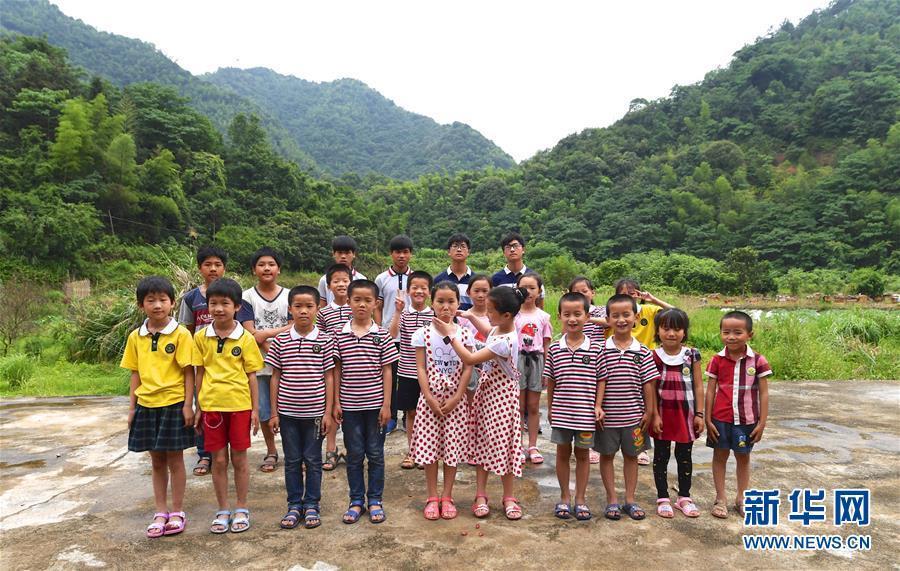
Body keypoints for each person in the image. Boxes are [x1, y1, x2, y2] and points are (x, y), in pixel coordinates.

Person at [432, 286, 527, 521]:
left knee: (504, 446)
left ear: (506, 315)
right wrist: (470, 316)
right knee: (482, 443)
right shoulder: (502, 328)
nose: (487, 314)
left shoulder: (506, 341)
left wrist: (449, 334)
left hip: (502, 399)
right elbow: (488, 331)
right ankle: (480, 495)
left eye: (490, 311)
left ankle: (508, 496)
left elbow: (469, 358)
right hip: (487, 396)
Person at [121, 276, 196, 538]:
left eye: (163, 300)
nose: (157, 305)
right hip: (146, 404)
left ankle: (177, 511)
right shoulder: (135, 337)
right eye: (150, 300)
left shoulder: (181, 334)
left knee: (175, 459)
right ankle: (160, 511)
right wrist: (132, 408)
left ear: (172, 303)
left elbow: (188, 372)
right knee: (156, 461)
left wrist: (188, 405)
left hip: (173, 403)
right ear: (140, 305)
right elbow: (135, 374)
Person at [192, 278, 264, 534]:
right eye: (213, 303)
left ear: (237, 307)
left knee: (240, 459)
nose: (219, 309)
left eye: (225, 303)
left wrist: (255, 410)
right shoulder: (201, 337)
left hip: (239, 406)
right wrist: (199, 406)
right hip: (212, 407)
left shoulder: (245, 338)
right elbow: (199, 373)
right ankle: (223, 509)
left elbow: (252, 376)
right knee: (219, 460)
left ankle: (242, 507)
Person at [178, 245, 253, 477]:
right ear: (199, 268)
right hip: (203, 355)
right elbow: (187, 329)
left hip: (231, 364)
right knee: (203, 409)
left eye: (217, 264)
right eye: (207, 264)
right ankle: (204, 454)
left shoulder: (235, 295)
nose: (212, 269)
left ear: (224, 268)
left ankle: (215, 456)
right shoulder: (191, 298)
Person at [266, 286, 335, 530]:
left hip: (315, 414)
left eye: (309, 306)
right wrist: (274, 413)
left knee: (313, 460)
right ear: (290, 309)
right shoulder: (281, 341)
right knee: (292, 460)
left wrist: (327, 412)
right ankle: (294, 504)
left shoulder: (325, 340)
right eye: (298, 306)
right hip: (287, 414)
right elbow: (275, 376)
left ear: (318, 308)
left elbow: (329, 377)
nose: (303, 311)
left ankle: (312, 504)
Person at [333, 280, 399, 524]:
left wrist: (387, 405)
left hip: (375, 407)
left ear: (375, 304)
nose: (362, 304)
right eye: (357, 299)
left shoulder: (382, 334)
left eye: (367, 300)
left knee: (375, 454)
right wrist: (336, 402)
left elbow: (387, 371)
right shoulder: (339, 334)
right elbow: (336, 370)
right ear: (348, 302)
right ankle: (356, 501)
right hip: (349, 407)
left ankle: (375, 500)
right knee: (354, 454)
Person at [411, 282, 474, 520]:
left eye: (451, 301)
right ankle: (431, 496)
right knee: (429, 449)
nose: (445, 306)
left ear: (458, 304)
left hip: (455, 402)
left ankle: (447, 496)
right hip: (430, 402)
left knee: (452, 448)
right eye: (440, 301)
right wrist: (428, 396)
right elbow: (420, 367)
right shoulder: (422, 334)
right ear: (432, 303)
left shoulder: (464, 334)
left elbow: (468, 366)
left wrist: (458, 396)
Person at [594, 293, 659, 522]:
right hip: (607, 418)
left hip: (635, 418)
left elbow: (648, 384)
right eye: (615, 316)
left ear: (635, 317)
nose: (621, 320)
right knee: (607, 456)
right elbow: (596, 382)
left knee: (632, 457)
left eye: (626, 315)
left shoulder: (643, 352)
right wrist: (596, 407)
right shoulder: (600, 350)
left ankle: (630, 499)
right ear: (608, 320)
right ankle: (612, 499)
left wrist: (649, 412)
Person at [705, 310, 771, 519]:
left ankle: (741, 498)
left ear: (749, 334)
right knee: (719, 456)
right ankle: (720, 498)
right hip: (720, 420)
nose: (731, 337)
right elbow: (710, 391)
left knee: (743, 457)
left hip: (746, 421)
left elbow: (763, 393)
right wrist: (707, 419)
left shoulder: (758, 361)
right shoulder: (717, 360)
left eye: (737, 332)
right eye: (726, 332)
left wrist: (762, 423)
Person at [545, 292, 604, 521]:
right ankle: (564, 497)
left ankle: (580, 499)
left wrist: (598, 405)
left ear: (587, 316)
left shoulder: (596, 348)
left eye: (578, 314)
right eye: (567, 314)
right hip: (562, 413)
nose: (572, 319)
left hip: (586, 415)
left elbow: (602, 379)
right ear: (559, 316)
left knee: (582, 455)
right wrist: (551, 408)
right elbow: (551, 381)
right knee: (562, 454)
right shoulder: (555, 349)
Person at [648, 308, 705, 519]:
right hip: (662, 415)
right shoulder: (653, 355)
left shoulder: (692, 355)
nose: (671, 333)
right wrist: (654, 415)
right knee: (661, 457)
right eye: (666, 328)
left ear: (684, 332)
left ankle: (684, 497)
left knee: (684, 457)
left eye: (677, 329)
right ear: (658, 331)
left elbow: (698, 386)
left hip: (686, 416)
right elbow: (651, 388)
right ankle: (662, 497)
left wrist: (699, 414)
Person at [242, 247, 292, 474]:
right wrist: (267, 345)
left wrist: (266, 335)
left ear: (279, 269)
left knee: (290, 408)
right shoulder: (247, 297)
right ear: (254, 270)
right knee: (264, 409)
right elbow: (250, 331)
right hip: (259, 363)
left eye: (271, 264)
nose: (267, 268)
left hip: (290, 361)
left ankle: (293, 452)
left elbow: (295, 324)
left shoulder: (290, 295)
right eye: (261, 264)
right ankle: (271, 450)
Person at [613, 278, 673, 466]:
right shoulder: (615, 313)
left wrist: (653, 299)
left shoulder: (648, 311)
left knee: (645, 405)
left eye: (632, 294)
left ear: (639, 295)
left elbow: (676, 313)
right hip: (620, 362)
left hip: (646, 363)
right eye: (623, 294)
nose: (628, 297)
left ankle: (641, 448)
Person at [389, 271, 434, 469]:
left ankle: (427, 452)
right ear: (408, 291)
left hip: (431, 373)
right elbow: (392, 335)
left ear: (430, 292)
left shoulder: (434, 315)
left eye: (423, 288)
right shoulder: (404, 314)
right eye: (415, 287)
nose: (419, 291)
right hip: (407, 371)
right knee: (411, 413)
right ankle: (412, 451)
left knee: (429, 414)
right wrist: (398, 312)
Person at [374, 235, 415, 434]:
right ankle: (389, 415)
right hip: (389, 336)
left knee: (408, 377)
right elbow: (378, 306)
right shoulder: (381, 278)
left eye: (405, 252)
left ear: (410, 254)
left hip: (410, 337)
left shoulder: (415, 278)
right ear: (391, 254)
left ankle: (408, 415)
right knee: (388, 375)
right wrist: (379, 329)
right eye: (398, 252)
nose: (401, 256)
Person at [315, 263, 353, 471]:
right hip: (330, 366)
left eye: (345, 280)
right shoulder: (323, 313)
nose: (341, 284)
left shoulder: (356, 307)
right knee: (330, 406)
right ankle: (331, 449)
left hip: (352, 366)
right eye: (336, 281)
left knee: (348, 408)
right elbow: (319, 338)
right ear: (328, 286)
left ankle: (349, 449)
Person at [515, 272, 552, 464]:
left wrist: (547, 369)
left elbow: (546, 345)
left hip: (537, 361)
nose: (528, 291)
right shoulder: (513, 315)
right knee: (518, 406)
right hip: (517, 361)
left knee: (533, 406)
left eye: (532, 288)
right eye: (524, 287)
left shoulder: (543, 317)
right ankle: (518, 445)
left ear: (539, 291)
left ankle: (533, 445)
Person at [567, 277, 606, 465]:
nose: (581, 295)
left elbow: (609, 322)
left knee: (599, 404)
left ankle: (596, 445)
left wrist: (587, 316)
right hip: (578, 362)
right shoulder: (572, 313)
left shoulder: (600, 310)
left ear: (592, 292)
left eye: (584, 291)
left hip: (599, 359)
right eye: (576, 292)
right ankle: (585, 445)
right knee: (584, 403)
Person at [457, 274, 492, 404]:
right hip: (469, 367)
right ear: (468, 292)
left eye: (485, 291)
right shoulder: (462, 317)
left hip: (490, 366)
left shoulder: (495, 318)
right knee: (470, 400)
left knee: (488, 400)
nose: (481, 295)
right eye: (476, 291)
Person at [490, 233, 545, 305]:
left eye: (515, 246)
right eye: (508, 247)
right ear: (504, 252)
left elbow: (539, 306)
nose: (512, 250)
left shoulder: (534, 277)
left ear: (523, 249)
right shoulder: (495, 279)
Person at [317, 236, 367, 307]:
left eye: (347, 253)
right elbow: (322, 306)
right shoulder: (324, 280)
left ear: (354, 254)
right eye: (340, 252)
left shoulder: (361, 280)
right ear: (333, 254)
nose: (343, 256)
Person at [433, 233, 474, 310]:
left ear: (468, 252)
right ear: (449, 251)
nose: (459, 250)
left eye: (463, 246)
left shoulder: (475, 280)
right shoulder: (438, 280)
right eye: (455, 246)